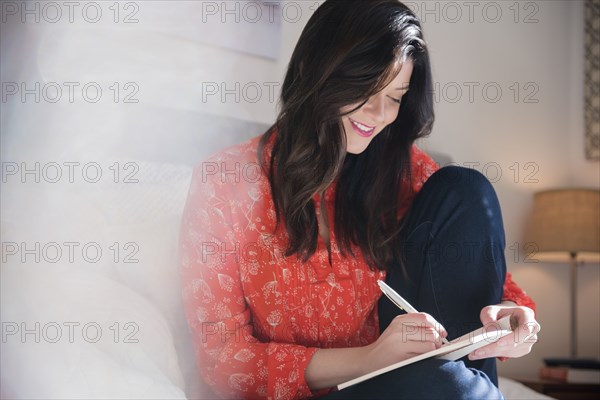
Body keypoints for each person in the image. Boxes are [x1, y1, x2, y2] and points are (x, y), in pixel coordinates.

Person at [179, 1, 540, 399]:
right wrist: (371, 358)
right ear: (316, 71)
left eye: (396, 96)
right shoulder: (224, 182)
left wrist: (512, 314)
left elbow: (483, 277)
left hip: (417, 383)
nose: (380, 113)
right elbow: (224, 361)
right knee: (447, 386)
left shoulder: (405, 172)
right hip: (327, 391)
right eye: (366, 89)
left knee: (466, 188)